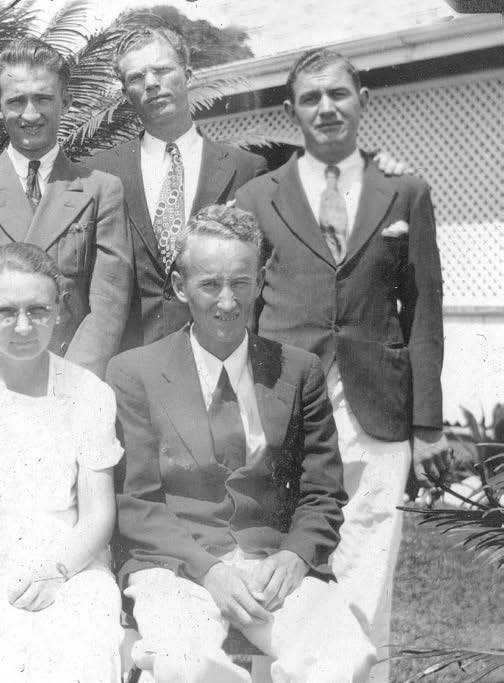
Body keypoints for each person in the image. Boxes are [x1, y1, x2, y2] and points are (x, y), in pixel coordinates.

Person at [235, 48, 449, 680]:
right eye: (310, 98)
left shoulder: (404, 191)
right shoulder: (259, 194)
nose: (326, 108)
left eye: (338, 94)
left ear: (362, 100)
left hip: (376, 407)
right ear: (291, 111)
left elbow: (426, 309)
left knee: (369, 557)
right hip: (284, 399)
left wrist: (429, 423)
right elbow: (243, 307)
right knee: (284, 559)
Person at [107, 207, 376, 682]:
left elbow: (323, 492)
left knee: (345, 656)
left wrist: (294, 556)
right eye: (210, 284)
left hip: (272, 568)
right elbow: (136, 503)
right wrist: (208, 570)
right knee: (187, 665)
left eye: (241, 283)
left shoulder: (298, 371)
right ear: (179, 286)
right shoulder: (135, 373)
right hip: (177, 568)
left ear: (260, 281)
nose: (227, 302)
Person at [0, 242, 124, 681]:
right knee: (0, 656)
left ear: (60, 309)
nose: (24, 327)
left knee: (84, 647)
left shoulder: (88, 393)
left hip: (70, 559)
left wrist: (57, 570)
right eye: (7, 312)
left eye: (39, 310)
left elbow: (97, 515)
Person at [0, 37, 130, 378]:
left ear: (66, 101)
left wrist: (71, 383)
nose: (30, 114)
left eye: (43, 99)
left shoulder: (100, 190)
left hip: (68, 381)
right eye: (17, 100)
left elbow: (109, 303)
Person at [84, 21, 267, 352]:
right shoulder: (100, 172)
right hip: (133, 359)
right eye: (137, 78)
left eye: (163, 70)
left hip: (221, 352)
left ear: (188, 74)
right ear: (126, 93)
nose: (151, 83)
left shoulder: (246, 169)